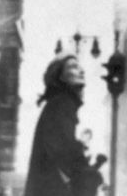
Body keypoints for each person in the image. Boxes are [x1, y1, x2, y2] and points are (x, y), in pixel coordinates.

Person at [24, 52, 89, 196]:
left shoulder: (58, 103)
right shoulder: (63, 103)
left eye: (80, 67)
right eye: (73, 67)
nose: (81, 71)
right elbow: (63, 148)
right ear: (60, 77)